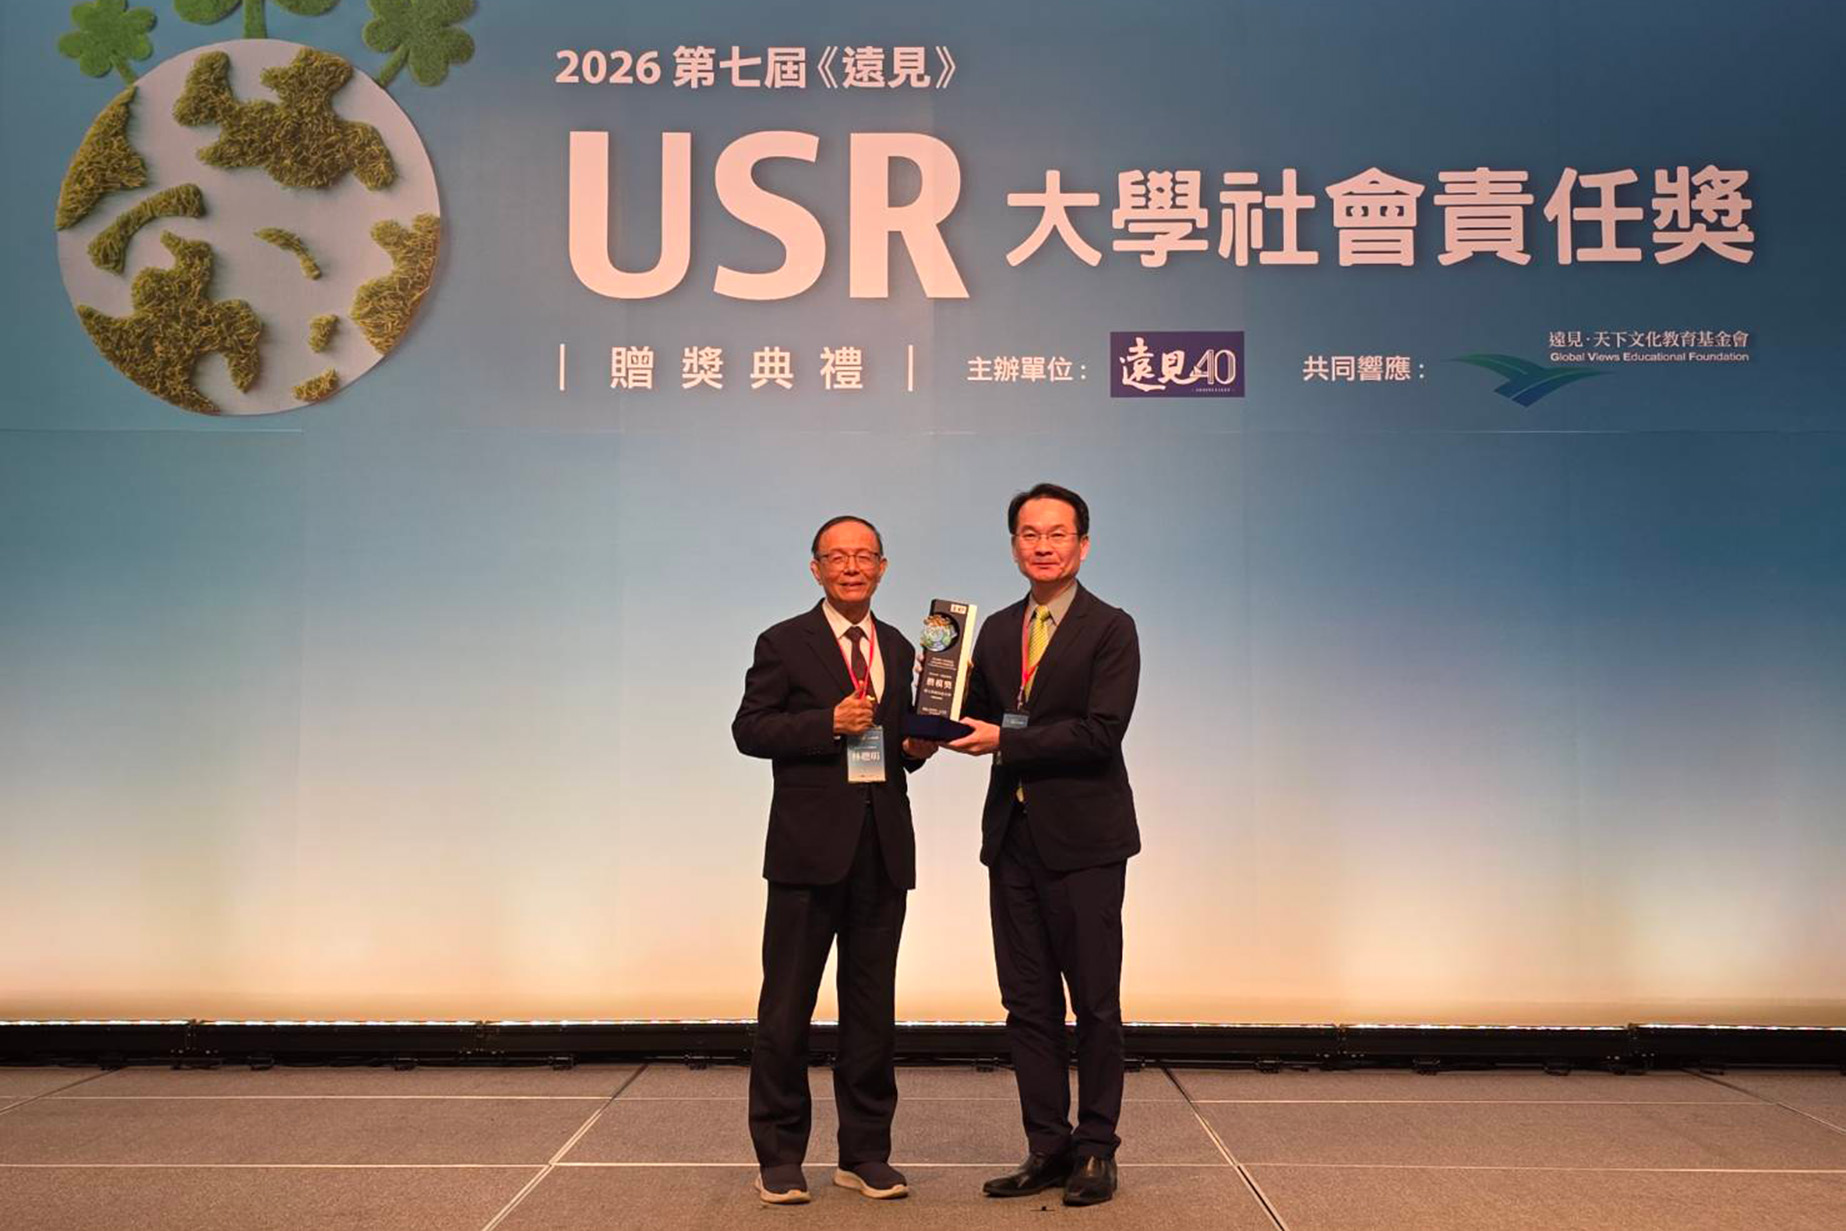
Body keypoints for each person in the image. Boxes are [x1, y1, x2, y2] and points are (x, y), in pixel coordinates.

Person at [733, 515, 939, 1205]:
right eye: (837, 556)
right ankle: (779, 1156)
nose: (852, 567)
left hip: (882, 849)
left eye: (864, 556)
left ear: (883, 567)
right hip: (806, 852)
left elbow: (901, 742)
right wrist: (827, 722)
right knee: (785, 1009)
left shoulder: (902, 646)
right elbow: (750, 729)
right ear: (815, 568)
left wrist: (916, 747)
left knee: (871, 1010)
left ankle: (865, 1152)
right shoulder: (783, 641)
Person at [946, 483, 1141, 1207]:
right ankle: (1047, 1146)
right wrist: (925, 713)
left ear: (1083, 544)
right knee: (1027, 1004)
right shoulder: (996, 630)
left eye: (1058, 534)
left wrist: (1007, 740)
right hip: (1013, 840)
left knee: (1094, 1003)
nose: (1043, 546)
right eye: (1030, 534)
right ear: (1013, 547)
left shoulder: (1111, 627)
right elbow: (968, 715)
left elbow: (1100, 733)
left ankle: (1096, 1149)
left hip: (1087, 842)